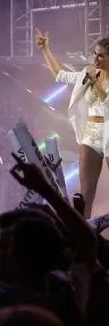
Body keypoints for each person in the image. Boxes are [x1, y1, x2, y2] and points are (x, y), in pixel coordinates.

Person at [34, 27, 108, 217]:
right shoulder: (88, 73)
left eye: (101, 55)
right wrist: (45, 50)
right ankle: (83, 231)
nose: (95, 59)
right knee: (85, 195)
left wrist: (94, 82)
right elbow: (60, 74)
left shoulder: (93, 77)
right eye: (94, 54)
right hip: (91, 135)